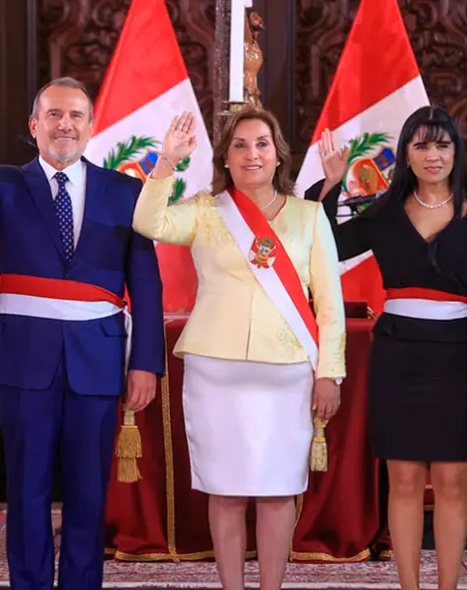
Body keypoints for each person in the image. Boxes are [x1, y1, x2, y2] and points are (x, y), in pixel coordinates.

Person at [0, 78, 165, 590]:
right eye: (55, 115)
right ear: (33, 125)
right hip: (25, 361)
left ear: (92, 125)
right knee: (27, 488)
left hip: (99, 360)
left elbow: (145, 284)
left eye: (76, 116)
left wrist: (146, 361)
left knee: (89, 492)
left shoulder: (126, 191)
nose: (66, 125)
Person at [132, 109, 346, 590]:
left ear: (278, 155)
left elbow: (329, 305)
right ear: (225, 157)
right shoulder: (206, 211)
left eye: (262, 144)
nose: (253, 154)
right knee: (225, 491)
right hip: (217, 370)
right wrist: (167, 161)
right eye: (241, 145)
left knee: (277, 492)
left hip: (288, 371)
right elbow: (149, 223)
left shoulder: (309, 217)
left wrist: (330, 371)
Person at [306, 106, 467, 590]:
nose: (433, 154)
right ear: (406, 154)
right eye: (421, 145)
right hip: (398, 358)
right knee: (402, 480)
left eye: (442, 144)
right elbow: (325, 246)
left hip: (460, 358)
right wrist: (334, 185)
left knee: (448, 482)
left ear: (456, 151)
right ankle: (408, 586)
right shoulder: (383, 211)